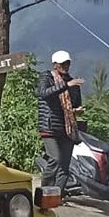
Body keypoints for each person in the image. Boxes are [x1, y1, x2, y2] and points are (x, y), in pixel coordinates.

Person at [36, 50, 85, 191]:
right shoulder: (47, 77)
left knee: (64, 165)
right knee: (55, 159)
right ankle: (44, 192)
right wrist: (66, 85)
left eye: (67, 63)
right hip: (49, 126)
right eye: (62, 63)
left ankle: (58, 194)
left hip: (67, 128)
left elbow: (75, 103)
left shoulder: (73, 82)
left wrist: (77, 110)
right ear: (55, 65)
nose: (65, 66)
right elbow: (43, 93)